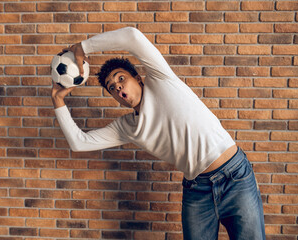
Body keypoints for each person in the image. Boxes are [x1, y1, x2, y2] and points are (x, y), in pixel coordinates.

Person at [51, 27, 265, 240]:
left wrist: (83, 47)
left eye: (121, 79)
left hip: (234, 176)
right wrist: (58, 101)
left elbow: (132, 37)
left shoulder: (161, 80)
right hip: (197, 190)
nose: (118, 88)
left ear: (137, 77)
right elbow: (80, 142)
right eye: (112, 88)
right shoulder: (127, 127)